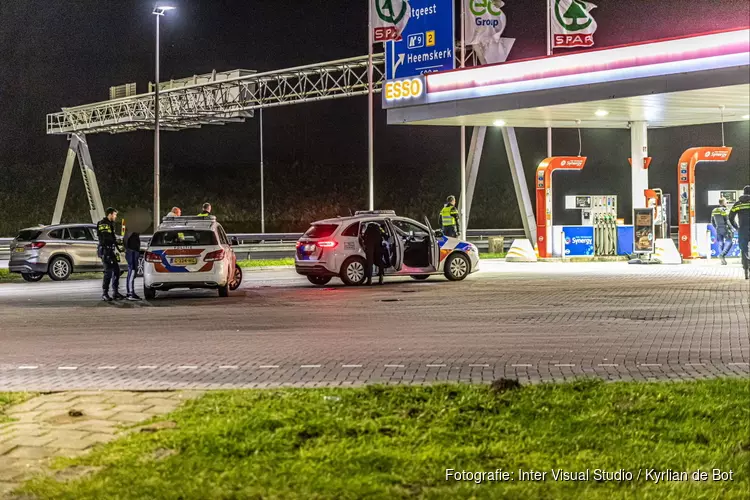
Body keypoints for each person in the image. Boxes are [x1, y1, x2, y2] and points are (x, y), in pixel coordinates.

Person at [97, 207, 125, 301]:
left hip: (110, 251)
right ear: (110, 214)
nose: (115, 216)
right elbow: (106, 238)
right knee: (108, 272)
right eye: (115, 214)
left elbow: (111, 237)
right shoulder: (103, 224)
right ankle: (105, 293)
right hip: (105, 251)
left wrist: (118, 245)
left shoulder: (110, 224)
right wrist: (115, 241)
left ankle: (115, 292)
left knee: (117, 271)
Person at [729, 185, 750, 280]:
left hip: (743, 229)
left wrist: (736, 226)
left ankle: (746, 268)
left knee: (744, 249)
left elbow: (730, 217)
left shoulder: (738, 204)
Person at [711, 197, 736, 265]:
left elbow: (712, 221)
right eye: (726, 202)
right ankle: (722, 254)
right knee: (729, 242)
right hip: (725, 228)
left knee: (720, 243)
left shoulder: (714, 210)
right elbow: (727, 221)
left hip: (718, 229)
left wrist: (716, 227)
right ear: (723, 203)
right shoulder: (725, 210)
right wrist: (732, 228)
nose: (727, 203)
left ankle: (722, 259)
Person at [124, 229, 142, 301]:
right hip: (132, 252)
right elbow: (126, 240)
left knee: (132, 272)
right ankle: (131, 293)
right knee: (132, 271)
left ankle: (130, 292)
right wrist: (128, 250)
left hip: (133, 251)